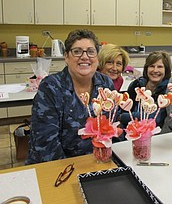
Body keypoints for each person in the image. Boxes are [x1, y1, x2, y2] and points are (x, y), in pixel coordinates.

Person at [26, 29, 114, 164]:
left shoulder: (105, 84)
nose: (85, 57)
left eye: (91, 51)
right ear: (66, 57)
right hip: (59, 166)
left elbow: (110, 128)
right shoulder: (51, 87)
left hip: (97, 161)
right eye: (77, 51)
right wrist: (71, 172)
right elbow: (46, 143)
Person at [118, 51, 172, 129]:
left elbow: (154, 117)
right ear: (146, 68)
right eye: (152, 66)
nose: (155, 70)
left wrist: (122, 117)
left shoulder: (168, 90)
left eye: (160, 67)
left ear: (166, 70)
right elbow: (125, 107)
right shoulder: (136, 85)